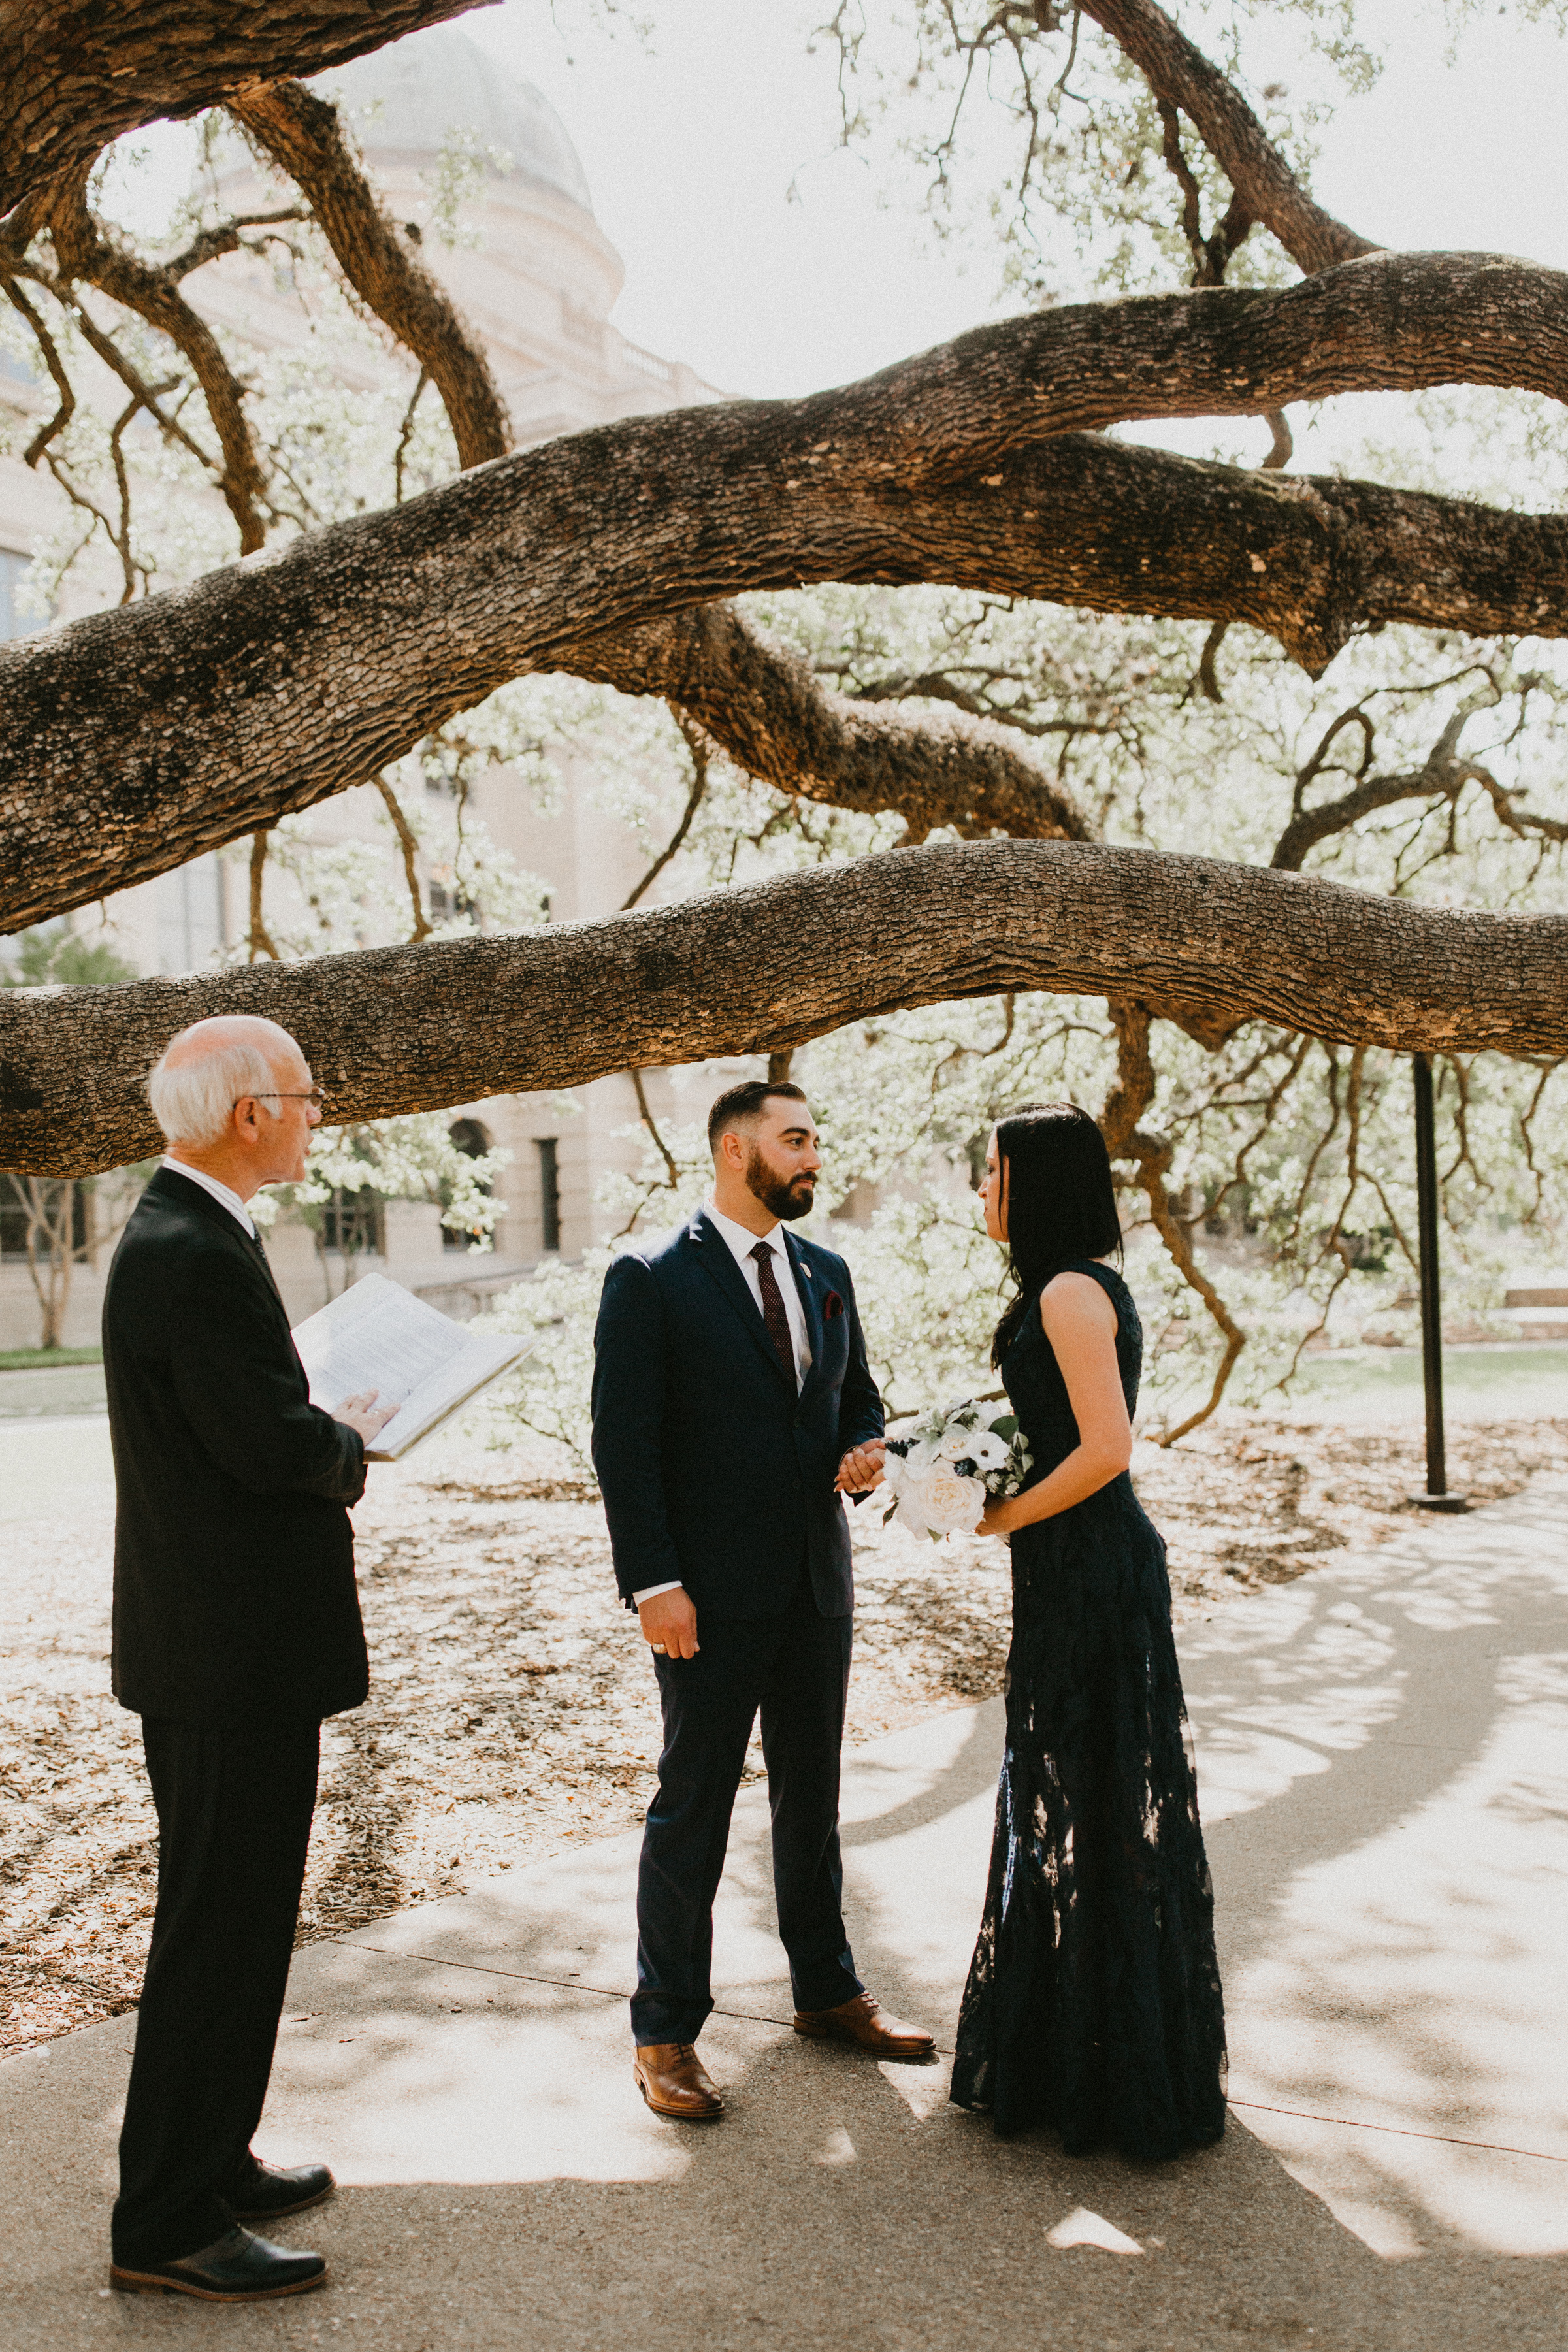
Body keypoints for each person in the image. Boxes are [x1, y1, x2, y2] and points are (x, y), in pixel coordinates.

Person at [104, 1016, 394, 2302]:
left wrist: (307, 1422)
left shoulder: (189, 1231)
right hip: (228, 1658)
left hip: (219, 1649)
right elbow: (269, 1449)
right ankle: (166, 2218)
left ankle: (214, 2153)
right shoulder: (188, 1249)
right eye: (305, 1095)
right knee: (216, 1930)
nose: (317, 1112)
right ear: (247, 1115)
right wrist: (346, 1445)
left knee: (238, 1922)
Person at [591, 1078, 934, 2120]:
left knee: (813, 1796)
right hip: (703, 1596)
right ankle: (664, 2032)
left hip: (814, 1587)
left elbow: (856, 1395)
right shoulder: (649, 1277)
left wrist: (862, 1446)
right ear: (736, 1150)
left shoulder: (827, 1273)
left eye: (816, 1141)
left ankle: (827, 1991)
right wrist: (655, 1584)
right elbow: (626, 1446)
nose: (812, 1158)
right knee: (692, 1802)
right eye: (796, 1141)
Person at [949, 1103, 1228, 2158]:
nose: (982, 1190)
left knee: (1097, 1794)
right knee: (1074, 1791)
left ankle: (1115, 2069)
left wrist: (1002, 1514)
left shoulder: (1069, 1291)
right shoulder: (1061, 1289)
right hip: (1068, 1568)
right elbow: (1048, 1427)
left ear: (1036, 1186)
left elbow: (1108, 1447)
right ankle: (1088, 2049)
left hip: (1092, 1570)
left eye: (993, 1172)